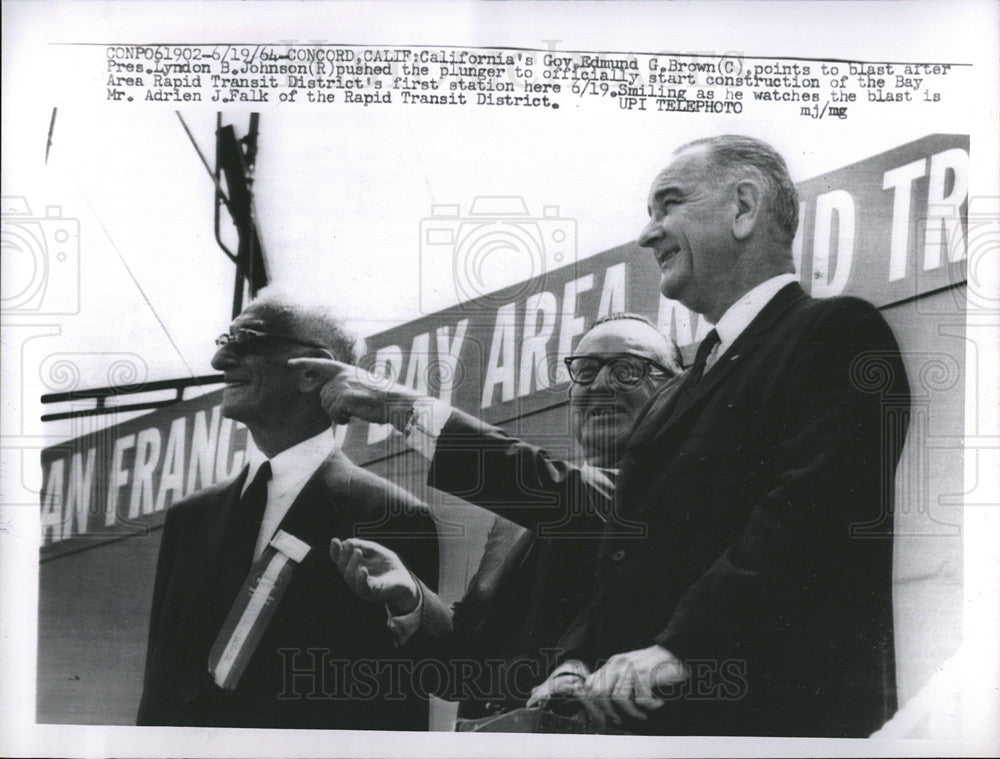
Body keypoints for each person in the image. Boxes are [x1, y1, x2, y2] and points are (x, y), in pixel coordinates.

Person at [527, 134, 911, 736]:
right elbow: (628, 556)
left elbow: (815, 517)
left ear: (743, 208)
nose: (648, 234)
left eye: (668, 204)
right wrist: (577, 657)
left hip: (777, 725)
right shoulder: (677, 392)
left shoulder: (835, 335)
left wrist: (684, 648)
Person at [293, 314, 682, 718]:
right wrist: (410, 598)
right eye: (585, 371)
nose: (601, 385)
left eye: (627, 370)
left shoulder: (674, 493)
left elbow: (569, 495)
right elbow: (466, 666)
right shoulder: (516, 523)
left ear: (675, 391)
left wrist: (400, 408)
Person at [136, 288, 440, 730]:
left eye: (246, 342)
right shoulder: (189, 518)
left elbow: (396, 709)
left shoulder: (391, 515)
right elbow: (159, 689)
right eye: (226, 342)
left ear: (311, 372)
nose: (219, 363)